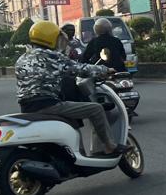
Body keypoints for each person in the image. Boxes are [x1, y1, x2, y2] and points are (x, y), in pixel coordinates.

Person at [15, 19, 120, 155]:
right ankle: (109, 146)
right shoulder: (52, 56)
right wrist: (105, 70)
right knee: (96, 109)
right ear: (49, 38)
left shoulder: (22, 59)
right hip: (48, 105)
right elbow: (80, 68)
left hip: (26, 107)